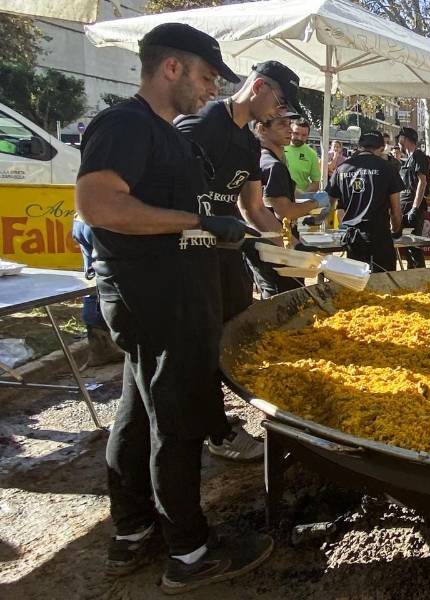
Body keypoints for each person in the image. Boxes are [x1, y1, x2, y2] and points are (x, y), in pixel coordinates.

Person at [73, 22, 272, 592]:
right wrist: (197, 221)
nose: (212, 90)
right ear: (172, 68)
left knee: (138, 412)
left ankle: (133, 530)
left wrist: (217, 230)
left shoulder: (166, 132)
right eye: (207, 76)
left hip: (166, 290)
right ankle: (189, 552)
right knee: (178, 420)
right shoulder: (125, 123)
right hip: (155, 294)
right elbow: (98, 204)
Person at [175, 59, 303, 462]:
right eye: (279, 101)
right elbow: (171, 198)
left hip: (228, 254)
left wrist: (285, 251)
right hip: (188, 257)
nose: (279, 113)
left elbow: (252, 208)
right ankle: (213, 430)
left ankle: (215, 418)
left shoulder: (249, 142)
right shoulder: (199, 125)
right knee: (201, 339)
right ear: (259, 86)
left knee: (230, 331)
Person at [251, 115, 317, 295]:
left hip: (266, 245)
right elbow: (285, 212)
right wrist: (316, 203)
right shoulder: (273, 166)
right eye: (282, 124)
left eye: (289, 124)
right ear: (262, 129)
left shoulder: (262, 159)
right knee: (286, 299)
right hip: (279, 250)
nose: (289, 129)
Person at [325, 131, 404, 272]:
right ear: (381, 147)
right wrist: (396, 231)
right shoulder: (388, 168)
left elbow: (328, 205)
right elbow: (396, 211)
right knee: (385, 283)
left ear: (360, 146)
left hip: (354, 237)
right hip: (380, 235)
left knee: (357, 285)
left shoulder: (342, 169)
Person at [71, 219, 123, 367]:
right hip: (106, 224)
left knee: (94, 279)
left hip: (82, 222)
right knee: (116, 279)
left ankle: (100, 348)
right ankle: (105, 347)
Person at [395, 127, 430, 268]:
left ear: (404, 139)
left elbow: (423, 181)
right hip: (403, 206)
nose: (398, 143)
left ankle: (419, 276)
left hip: (412, 207)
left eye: (399, 139)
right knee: (407, 248)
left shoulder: (418, 156)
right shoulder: (408, 159)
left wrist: (415, 208)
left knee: (414, 247)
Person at [283, 120, 320, 193]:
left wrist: (302, 197)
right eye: (296, 133)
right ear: (290, 131)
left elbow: (315, 183)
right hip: (277, 197)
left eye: (304, 135)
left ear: (308, 136)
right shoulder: (279, 147)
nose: (299, 138)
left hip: (298, 202)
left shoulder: (312, 154)